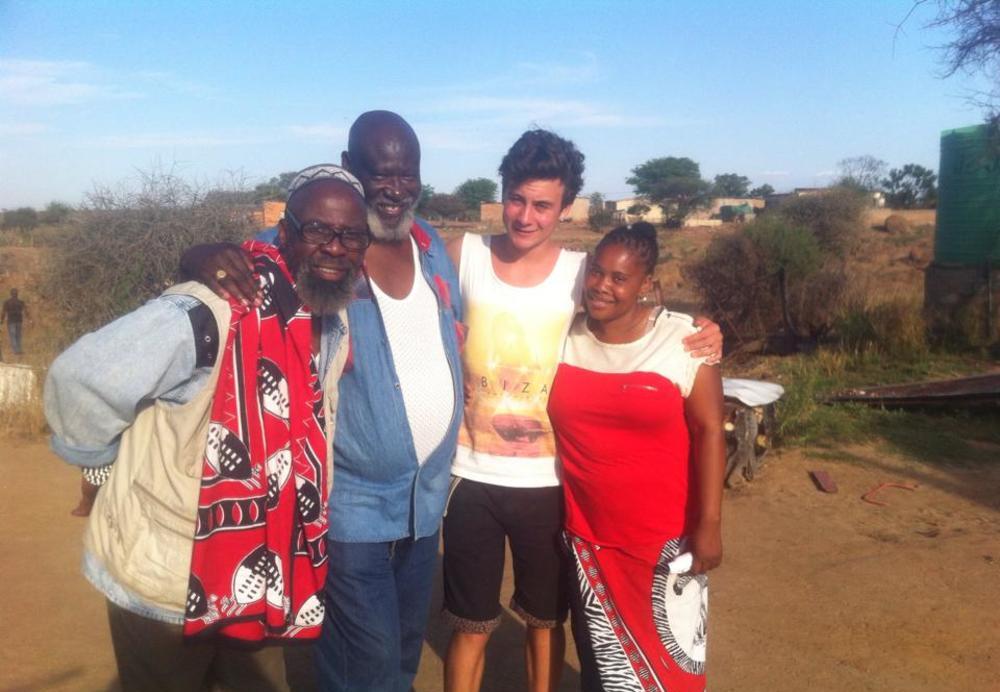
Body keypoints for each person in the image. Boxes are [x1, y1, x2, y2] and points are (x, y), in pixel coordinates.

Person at [44, 169, 370, 691]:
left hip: (264, 572)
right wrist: (100, 463)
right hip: (167, 578)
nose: (335, 247)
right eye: (317, 231)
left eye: (352, 235)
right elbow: (82, 377)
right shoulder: (211, 308)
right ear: (283, 235)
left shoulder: (331, 315)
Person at [181, 111, 464, 692]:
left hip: (425, 500)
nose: (396, 188)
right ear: (350, 170)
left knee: (404, 653)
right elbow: (246, 258)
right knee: (368, 663)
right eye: (381, 174)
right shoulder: (319, 246)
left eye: (408, 174)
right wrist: (198, 256)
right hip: (352, 503)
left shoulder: (429, 242)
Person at [441, 131, 722, 692]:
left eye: (543, 204)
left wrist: (705, 331)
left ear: (565, 207)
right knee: (470, 625)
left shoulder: (580, 272)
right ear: (502, 195)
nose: (526, 216)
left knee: (545, 623)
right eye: (516, 200)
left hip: (548, 483)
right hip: (467, 476)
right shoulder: (462, 256)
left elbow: (634, 305)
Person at [547, 222, 725, 692]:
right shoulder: (564, 337)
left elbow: (709, 430)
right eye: (597, 272)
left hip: (665, 542)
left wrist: (709, 524)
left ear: (646, 283)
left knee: (673, 674)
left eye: (619, 278)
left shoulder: (683, 340)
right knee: (603, 671)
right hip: (589, 540)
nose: (602, 286)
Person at [1, 287, 27, 355]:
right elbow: (26, 311)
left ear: (11, 294)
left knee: (13, 336)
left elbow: (3, 312)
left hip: (11, 321)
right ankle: (19, 350)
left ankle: (16, 351)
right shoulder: (21, 302)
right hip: (19, 321)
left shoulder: (7, 302)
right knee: (18, 336)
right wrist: (29, 319)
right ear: (17, 294)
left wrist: (1, 320)